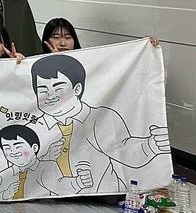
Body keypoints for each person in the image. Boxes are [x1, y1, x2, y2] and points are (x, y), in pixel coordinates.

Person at [28, 53, 170, 192]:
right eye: (42, 90)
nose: (50, 95)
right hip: (53, 199)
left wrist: (151, 145)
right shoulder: (35, 127)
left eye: (58, 88)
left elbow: (124, 149)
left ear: (77, 89)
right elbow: (25, 166)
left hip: (98, 197)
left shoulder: (99, 117)